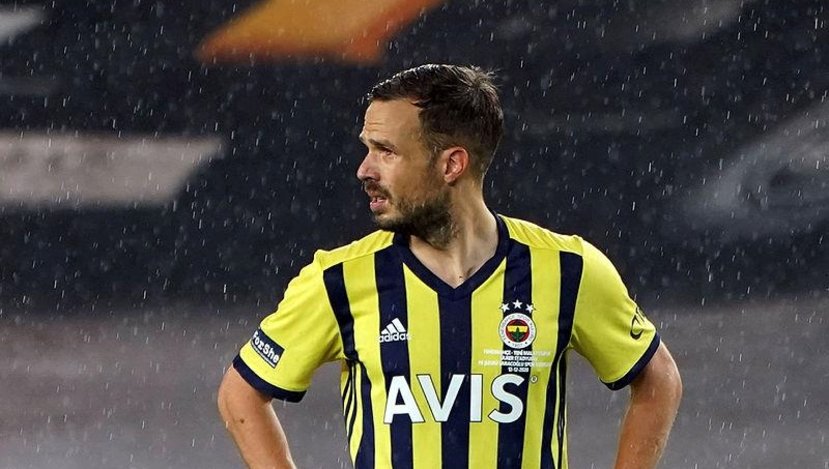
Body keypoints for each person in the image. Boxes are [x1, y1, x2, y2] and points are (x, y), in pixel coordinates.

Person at [217, 64, 682, 469]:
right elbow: (240, 393)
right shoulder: (339, 279)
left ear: (452, 164)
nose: (365, 169)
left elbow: (658, 378)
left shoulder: (567, 270)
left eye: (386, 151)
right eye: (368, 148)